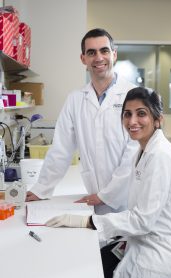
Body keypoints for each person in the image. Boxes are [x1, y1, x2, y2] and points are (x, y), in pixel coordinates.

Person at [45, 87, 171, 278]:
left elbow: (142, 220)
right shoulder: (144, 149)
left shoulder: (161, 156)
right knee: (98, 264)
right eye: (127, 114)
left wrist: (88, 221)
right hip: (147, 237)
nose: (132, 121)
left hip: (167, 249)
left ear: (158, 119)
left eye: (141, 113)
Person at [26, 28, 138, 215]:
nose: (98, 57)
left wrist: (108, 195)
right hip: (95, 197)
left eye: (104, 51)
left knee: (127, 241)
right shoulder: (75, 99)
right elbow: (61, 149)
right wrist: (41, 189)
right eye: (91, 52)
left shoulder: (134, 96)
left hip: (130, 198)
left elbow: (134, 155)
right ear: (83, 59)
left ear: (114, 54)